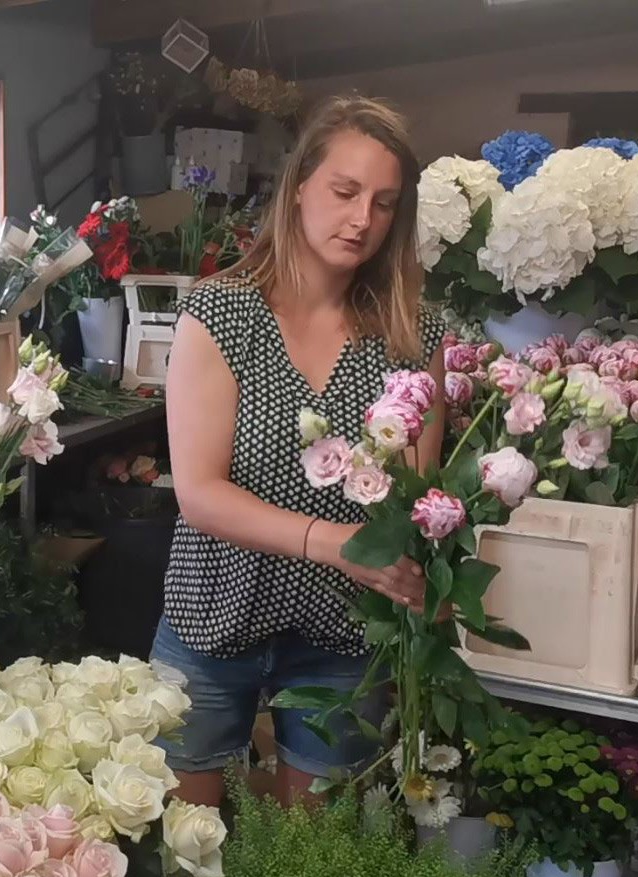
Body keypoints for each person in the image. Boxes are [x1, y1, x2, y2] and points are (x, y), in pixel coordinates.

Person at [152, 96, 447, 808]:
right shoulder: (221, 313)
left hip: (344, 631)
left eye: (383, 203)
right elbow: (200, 493)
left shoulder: (415, 337)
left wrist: (431, 582)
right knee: (185, 846)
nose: (362, 219)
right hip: (212, 610)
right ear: (298, 187)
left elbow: (416, 500)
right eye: (345, 192)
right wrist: (336, 543)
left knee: (311, 857)